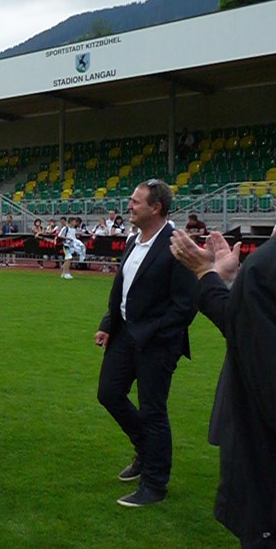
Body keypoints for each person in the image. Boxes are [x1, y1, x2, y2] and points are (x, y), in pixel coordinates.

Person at [93, 179, 196, 507]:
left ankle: (154, 485)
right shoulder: (133, 240)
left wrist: (156, 335)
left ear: (157, 208)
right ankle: (145, 449)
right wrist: (109, 324)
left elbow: (185, 305)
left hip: (157, 343)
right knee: (108, 393)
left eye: (136, 202)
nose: (129, 206)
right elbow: (121, 287)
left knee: (153, 411)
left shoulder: (176, 245)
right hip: (124, 335)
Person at [170, 228, 276, 546]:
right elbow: (251, 329)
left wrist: (205, 274)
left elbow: (256, 351)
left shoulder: (265, 266)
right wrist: (228, 282)